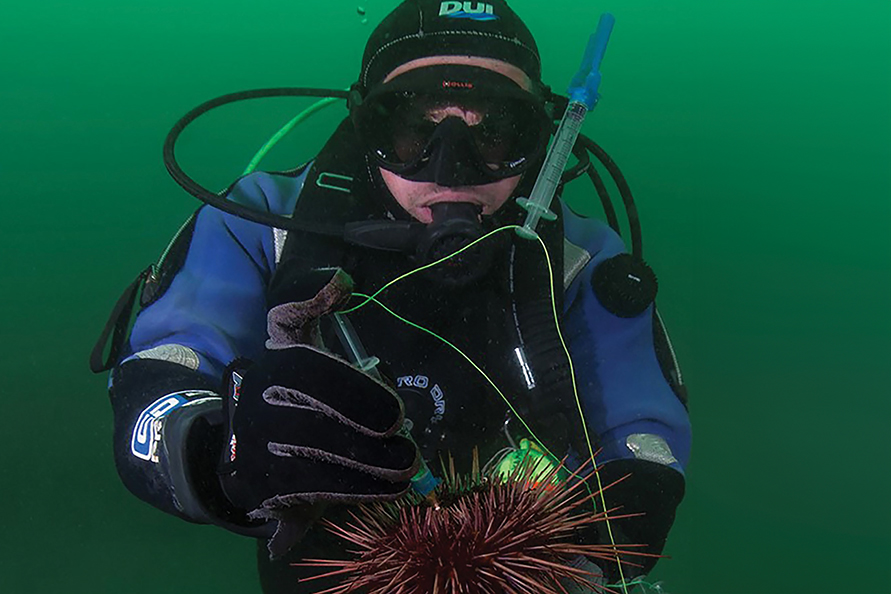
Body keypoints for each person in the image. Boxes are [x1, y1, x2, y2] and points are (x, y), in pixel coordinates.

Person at [92, 1, 692, 592]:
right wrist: (209, 451)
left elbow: (639, 421)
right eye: (411, 130)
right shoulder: (258, 221)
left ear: (543, 136)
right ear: (365, 125)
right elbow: (165, 370)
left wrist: (629, 506)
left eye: (497, 132)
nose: (450, 171)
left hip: (531, 562)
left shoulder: (582, 261)